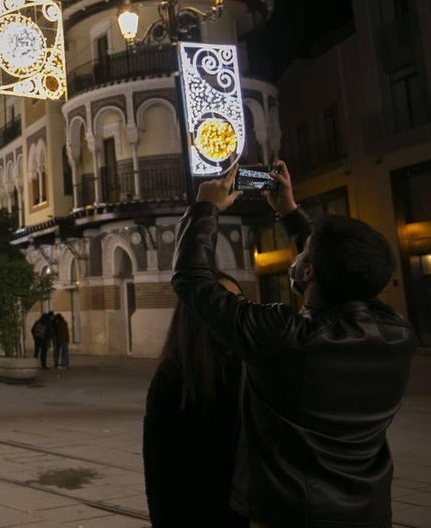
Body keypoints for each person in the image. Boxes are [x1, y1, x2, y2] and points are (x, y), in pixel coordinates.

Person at [172, 160, 417, 527]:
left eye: (304, 254)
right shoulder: (397, 334)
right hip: (367, 510)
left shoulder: (285, 337)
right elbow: (341, 268)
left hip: (292, 513)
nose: (299, 255)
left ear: (308, 272)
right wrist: (288, 210)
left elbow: (192, 279)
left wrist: (205, 207)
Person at [143, 271, 247, 527]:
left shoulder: (251, 366)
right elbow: (160, 474)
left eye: (240, 301)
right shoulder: (173, 378)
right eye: (224, 302)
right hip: (196, 513)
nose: (236, 311)